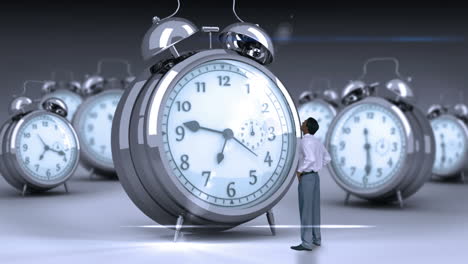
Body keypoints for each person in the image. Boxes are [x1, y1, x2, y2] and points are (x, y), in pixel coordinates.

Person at [291, 117, 331, 251]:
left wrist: (300, 171)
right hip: (315, 177)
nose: (301, 124)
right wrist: (317, 166)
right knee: (314, 209)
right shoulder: (317, 142)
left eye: (303, 123)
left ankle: (306, 242)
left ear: (307, 127)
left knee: (306, 210)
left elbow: (310, 158)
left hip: (307, 178)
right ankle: (316, 238)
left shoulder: (304, 141)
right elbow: (327, 158)